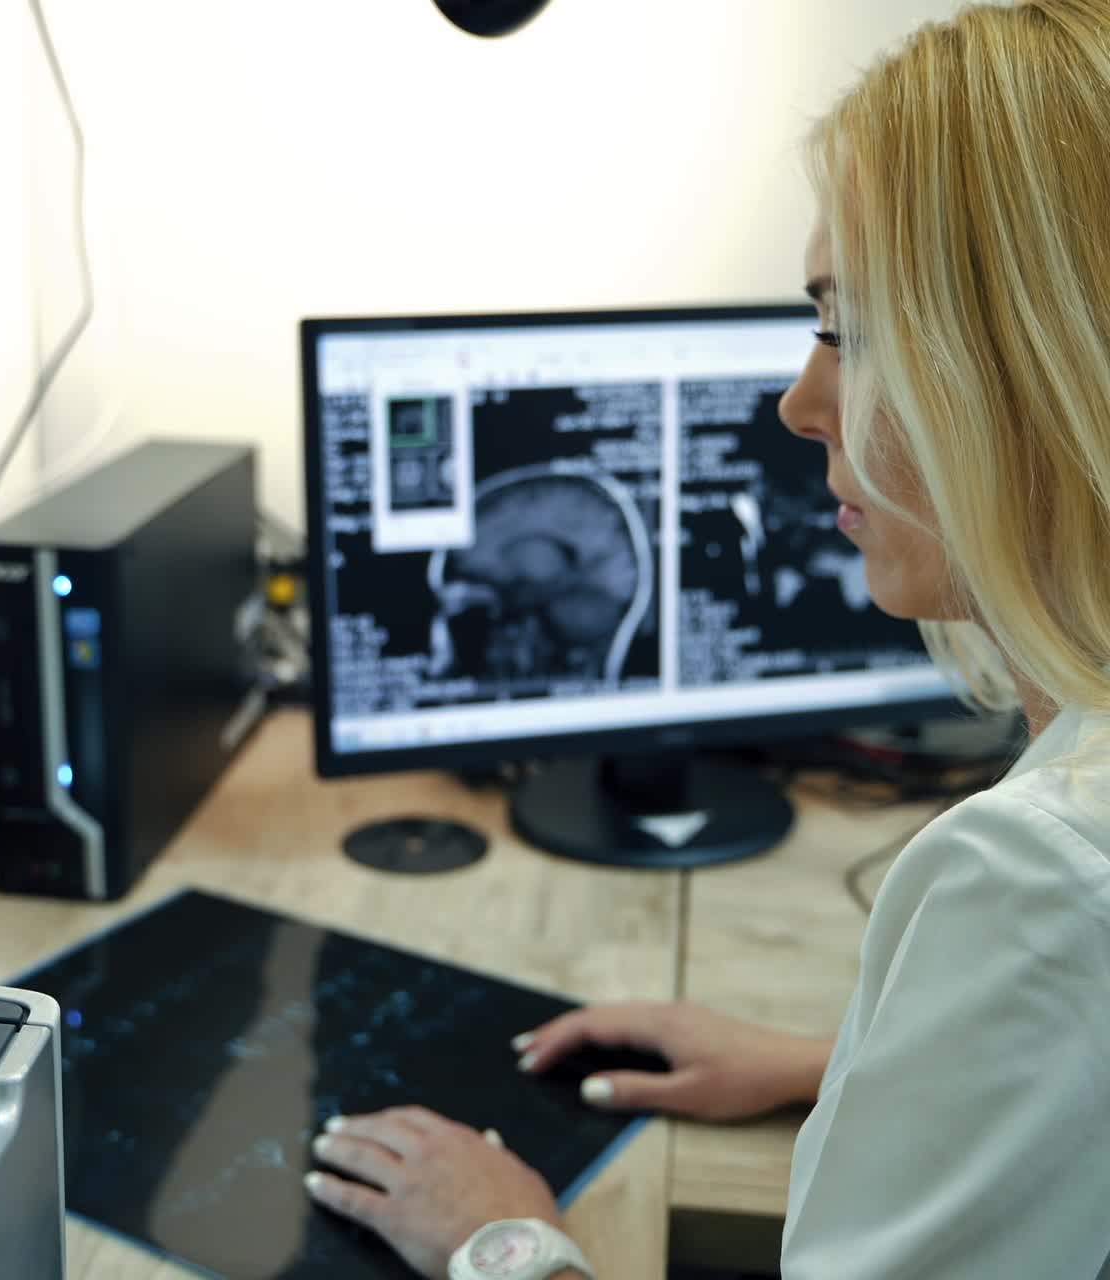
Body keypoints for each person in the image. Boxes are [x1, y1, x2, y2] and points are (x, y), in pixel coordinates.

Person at [303, 1, 1110, 1275]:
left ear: (1019, 362)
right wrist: (840, 1064)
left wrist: (502, 1237)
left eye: (848, 330)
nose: (799, 400)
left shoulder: (1040, 872)